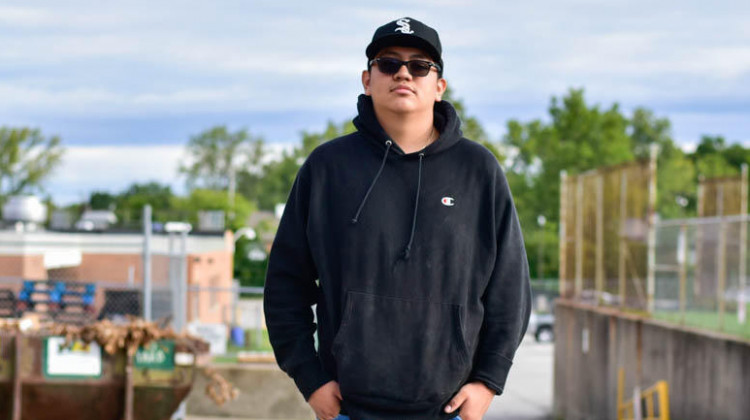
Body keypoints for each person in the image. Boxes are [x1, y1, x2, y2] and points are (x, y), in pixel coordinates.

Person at [263, 17, 531, 420]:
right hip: (347, 409)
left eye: (420, 65)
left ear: (439, 86)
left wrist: (488, 381)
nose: (403, 73)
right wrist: (310, 379)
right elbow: (285, 284)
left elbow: (510, 289)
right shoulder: (328, 168)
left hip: (450, 409)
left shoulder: (479, 170)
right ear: (367, 79)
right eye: (388, 63)